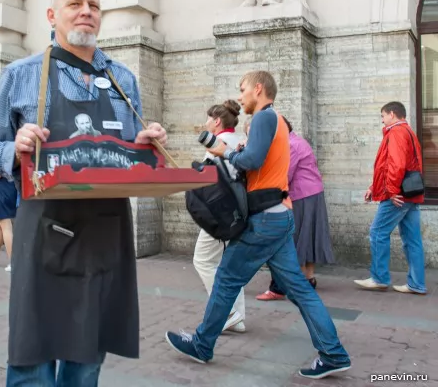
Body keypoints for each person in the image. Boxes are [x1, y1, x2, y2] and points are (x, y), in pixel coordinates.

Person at [0, 0, 167, 386]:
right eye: (75, 5)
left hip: (104, 236)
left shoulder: (123, 80)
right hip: (43, 233)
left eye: (94, 6)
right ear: (52, 15)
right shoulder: (21, 75)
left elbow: (131, 155)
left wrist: (146, 143)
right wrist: (15, 149)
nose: (86, 13)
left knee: (86, 358)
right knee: (33, 354)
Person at [164, 71, 351, 380]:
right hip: (279, 216)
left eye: (243, 90)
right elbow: (256, 160)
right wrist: (230, 152)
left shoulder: (265, 117)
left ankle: (201, 344)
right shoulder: (273, 121)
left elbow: (251, 160)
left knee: (225, 279)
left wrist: (226, 152)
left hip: (265, 219)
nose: (240, 97)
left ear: (259, 89)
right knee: (300, 290)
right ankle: (333, 354)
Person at [257, 116, 335, 301]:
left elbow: (284, 174)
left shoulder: (289, 145)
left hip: (302, 195)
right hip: (312, 193)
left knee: (296, 236)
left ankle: (295, 284)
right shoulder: (297, 141)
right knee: (309, 236)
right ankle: (309, 278)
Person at [355, 101, 426, 295]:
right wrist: (373, 187)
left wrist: (392, 191)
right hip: (410, 195)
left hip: (397, 196)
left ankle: (379, 278)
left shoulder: (396, 132)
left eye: (383, 116)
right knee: (412, 240)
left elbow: (395, 164)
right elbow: (388, 166)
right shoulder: (408, 131)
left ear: (392, 114)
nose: (382, 120)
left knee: (378, 232)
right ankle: (417, 284)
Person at [193, 100, 247, 333]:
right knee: (229, 264)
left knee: (203, 260)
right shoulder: (241, 142)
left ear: (216, 121)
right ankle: (238, 318)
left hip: (220, 213)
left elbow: (208, 181)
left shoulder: (218, 145)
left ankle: (228, 312)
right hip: (240, 211)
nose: (205, 123)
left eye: (208, 119)